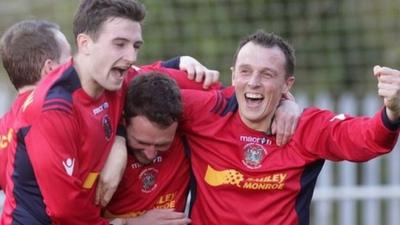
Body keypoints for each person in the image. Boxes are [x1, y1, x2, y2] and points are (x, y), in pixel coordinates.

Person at [0, 1, 219, 224]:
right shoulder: (54, 110)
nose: (131, 56)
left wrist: (120, 139)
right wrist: (131, 223)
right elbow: (66, 213)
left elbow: (151, 76)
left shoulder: (113, 78)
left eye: (135, 46)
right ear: (84, 44)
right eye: (119, 44)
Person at [176, 30, 400, 225]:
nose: (253, 82)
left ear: (287, 84)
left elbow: (366, 138)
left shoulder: (305, 127)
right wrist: (176, 62)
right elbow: (145, 89)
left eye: (267, 74)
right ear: (233, 75)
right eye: (245, 71)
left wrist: (393, 112)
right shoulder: (205, 111)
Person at [103, 72, 192, 225]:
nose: (150, 154)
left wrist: (182, 62)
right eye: (141, 142)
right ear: (124, 121)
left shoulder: (189, 138)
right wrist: (131, 223)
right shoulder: (102, 154)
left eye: (162, 145)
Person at [0, 19, 71, 191]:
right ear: (50, 68)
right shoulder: (60, 116)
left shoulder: (3, 127)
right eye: (69, 59)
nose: (75, 66)